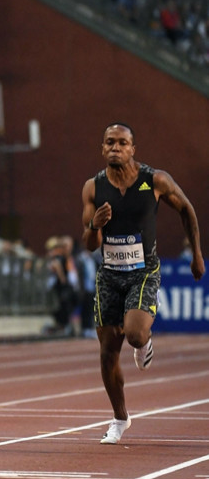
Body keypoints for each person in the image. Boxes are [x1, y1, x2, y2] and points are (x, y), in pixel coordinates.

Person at [82, 122, 203, 445]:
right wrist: (94, 225)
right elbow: (89, 244)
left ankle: (144, 342)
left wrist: (197, 255)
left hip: (143, 271)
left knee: (134, 334)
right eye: (110, 142)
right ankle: (120, 418)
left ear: (133, 149)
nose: (115, 148)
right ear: (102, 148)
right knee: (108, 353)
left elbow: (187, 209)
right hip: (109, 275)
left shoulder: (155, 180)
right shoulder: (93, 188)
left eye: (122, 143)